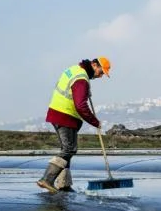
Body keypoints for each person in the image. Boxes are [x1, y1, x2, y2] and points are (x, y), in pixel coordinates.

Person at [36, 57, 111, 193]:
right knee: (69, 149)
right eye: (101, 72)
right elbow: (81, 106)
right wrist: (94, 121)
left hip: (58, 112)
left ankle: (64, 184)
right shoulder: (82, 80)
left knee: (67, 149)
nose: (100, 76)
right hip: (65, 114)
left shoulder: (75, 70)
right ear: (94, 65)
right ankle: (47, 179)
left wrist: (84, 91)